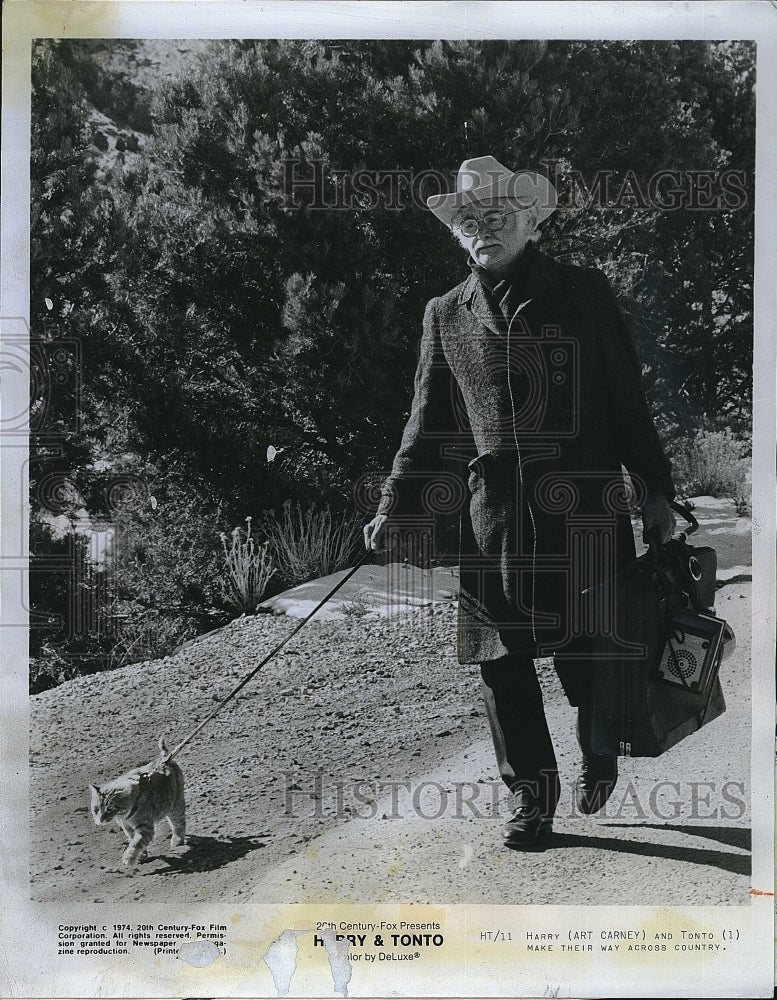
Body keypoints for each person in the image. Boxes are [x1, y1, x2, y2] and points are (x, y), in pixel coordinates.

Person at [363, 156, 676, 849]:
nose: (483, 230)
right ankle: (531, 800)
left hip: (581, 508)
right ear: (457, 234)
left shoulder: (583, 293)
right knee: (500, 663)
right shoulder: (444, 313)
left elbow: (626, 398)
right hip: (490, 518)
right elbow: (427, 424)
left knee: (586, 651)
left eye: (497, 216)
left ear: (530, 222)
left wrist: (654, 488)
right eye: (470, 221)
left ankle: (597, 745)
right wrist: (393, 503)